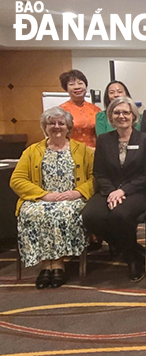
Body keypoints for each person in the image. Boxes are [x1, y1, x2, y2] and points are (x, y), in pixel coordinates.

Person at [10, 107, 94, 289]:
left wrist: (78, 192)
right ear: (45, 127)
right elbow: (17, 180)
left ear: (68, 127)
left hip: (71, 199)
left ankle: (57, 264)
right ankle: (46, 265)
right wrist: (44, 195)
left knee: (61, 213)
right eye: (51, 123)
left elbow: (95, 177)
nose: (56, 127)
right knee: (32, 213)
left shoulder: (83, 150)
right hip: (41, 199)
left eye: (61, 123)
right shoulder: (32, 151)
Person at [82, 97, 146, 282]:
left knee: (119, 216)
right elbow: (99, 172)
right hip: (108, 190)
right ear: (111, 117)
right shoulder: (104, 140)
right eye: (117, 113)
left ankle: (132, 260)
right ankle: (133, 249)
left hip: (137, 191)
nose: (122, 116)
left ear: (133, 116)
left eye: (126, 112)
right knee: (90, 215)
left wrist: (123, 191)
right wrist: (111, 190)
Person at [58, 69, 102, 148]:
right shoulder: (61, 111)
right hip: (72, 152)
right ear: (66, 89)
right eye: (72, 84)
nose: (77, 87)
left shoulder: (96, 109)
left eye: (80, 83)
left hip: (94, 152)